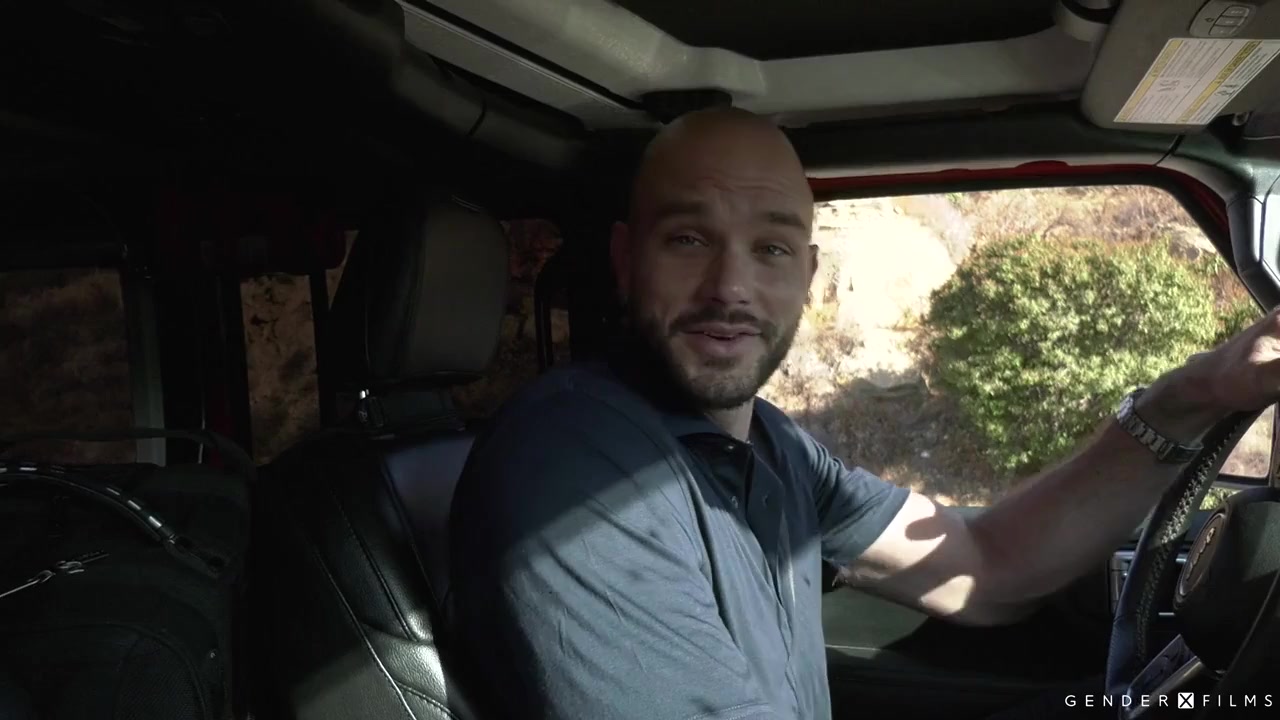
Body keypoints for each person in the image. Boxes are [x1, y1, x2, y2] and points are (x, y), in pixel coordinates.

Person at [446, 107, 1280, 719]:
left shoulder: (770, 445)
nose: (730, 287)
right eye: (688, 239)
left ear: (808, 275)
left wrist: (1195, 394)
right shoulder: (573, 467)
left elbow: (985, 565)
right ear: (627, 261)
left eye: (771, 248)